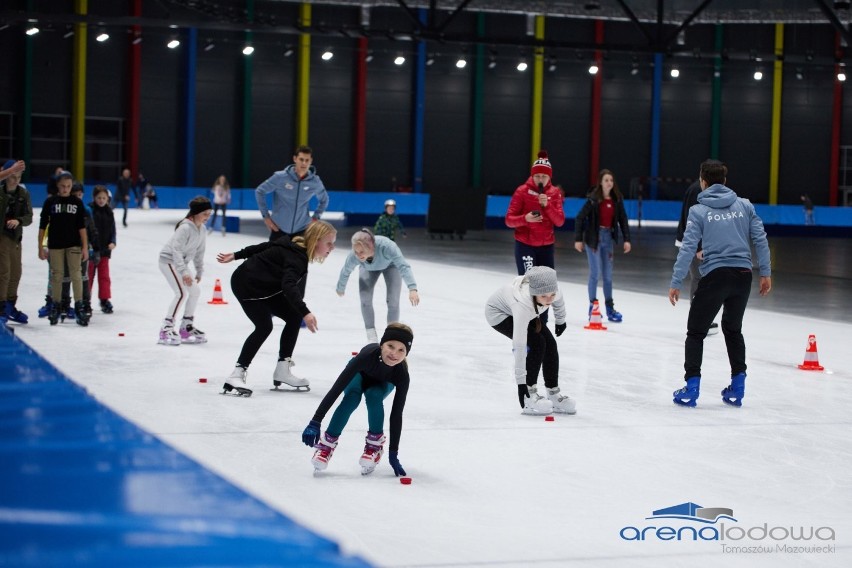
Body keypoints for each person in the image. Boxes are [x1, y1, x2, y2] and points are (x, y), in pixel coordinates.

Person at [669, 159, 772, 408]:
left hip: (714, 277)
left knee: (695, 332)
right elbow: (760, 239)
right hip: (743, 276)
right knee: (733, 329)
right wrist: (765, 273)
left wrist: (676, 281)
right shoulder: (745, 206)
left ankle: (691, 388)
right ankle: (738, 386)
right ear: (725, 181)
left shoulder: (698, 211)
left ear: (703, 182)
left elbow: (687, 248)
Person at [216, 220, 337, 393]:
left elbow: (266, 245)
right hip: (246, 285)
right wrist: (306, 312)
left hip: (265, 286)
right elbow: (289, 286)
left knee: (293, 316)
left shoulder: (295, 242)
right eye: (329, 243)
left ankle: (282, 370)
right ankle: (237, 374)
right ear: (316, 240)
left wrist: (237, 255)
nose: (332, 248)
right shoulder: (297, 257)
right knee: (264, 326)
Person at [301, 322, 413, 476]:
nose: (395, 353)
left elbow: (396, 415)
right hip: (359, 375)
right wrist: (315, 421)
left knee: (374, 396)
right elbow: (336, 389)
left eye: (402, 350)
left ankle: (375, 446)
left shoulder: (401, 375)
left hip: (381, 385)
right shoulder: (366, 356)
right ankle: (326, 445)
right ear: (382, 345)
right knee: (351, 398)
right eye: (391, 346)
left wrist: (393, 453)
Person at [485, 266, 575, 416]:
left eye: (552, 295)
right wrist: (522, 385)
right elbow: (520, 346)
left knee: (550, 343)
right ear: (534, 293)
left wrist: (560, 320)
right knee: (536, 343)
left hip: (528, 311)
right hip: (499, 314)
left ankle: (553, 393)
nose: (549, 300)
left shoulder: (552, 291)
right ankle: (530, 394)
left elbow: (559, 301)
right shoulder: (522, 304)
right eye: (544, 296)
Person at [336, 228, 419, 343]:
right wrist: (341, 286)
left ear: (371, 247)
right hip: (367, 268)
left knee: (393, 300)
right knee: (365, 299)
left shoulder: (388, 247)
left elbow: (403, 266)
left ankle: (392, 333)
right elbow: (346, 270)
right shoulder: (355, 255)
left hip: (391, 266)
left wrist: (412, 288)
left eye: (362, 252)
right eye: (356, 252)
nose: (359, 255)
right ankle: (371, 335)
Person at [574, 169, 632, 322]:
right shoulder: (593, 200)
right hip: (594, 239)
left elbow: (623, 220)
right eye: (606, 180)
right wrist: (578, 239)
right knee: (595, 273)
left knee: (607, 276)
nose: (609, 183)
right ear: (600, 182)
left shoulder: (616, 200)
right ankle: (593, 306)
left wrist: (627, 239)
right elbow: (579, 218)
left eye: (611, 180)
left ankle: (610, 308)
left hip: (607, 240)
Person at [157, 196, 212, 346]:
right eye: (205, 213)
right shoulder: (185, 227)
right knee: (181, 293)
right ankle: (166, 328)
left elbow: (200, 252)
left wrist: (199, 271)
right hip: (168, 261)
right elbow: (176, 250)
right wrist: (184, 272)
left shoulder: (202, 229)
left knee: (195, 291)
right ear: (195, 213)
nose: (207, 217)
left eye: (209, 213)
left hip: (180, 263)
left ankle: (186, 327)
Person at [37, 170, 89, 326]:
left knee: (76, 274)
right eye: (62, 186)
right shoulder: (50, 202)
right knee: (57, 275)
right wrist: (40, 246)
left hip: (73, 244)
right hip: (55, 245)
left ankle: (79, 305)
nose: (65, 189)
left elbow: (82, 227)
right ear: (57, 186)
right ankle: (56, 305)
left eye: (68, 186)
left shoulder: (77, 203)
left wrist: (85, 247)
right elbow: (42, 225)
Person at [505, 150, 565, 276]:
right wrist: (525, 218)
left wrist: (547, 206)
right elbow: (509, 220)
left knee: (546, 287)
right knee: (528, 283)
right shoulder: (522, 191)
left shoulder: (555, 193)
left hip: (546, 247)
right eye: (537, 176)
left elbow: (559, 221)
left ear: (550, 177)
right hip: (525, 245)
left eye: (544, 176)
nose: (540, 179)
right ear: (532, 176)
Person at [255, 145, 329, 242]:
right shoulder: (280, 177)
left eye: (307, 160)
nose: (304, 163)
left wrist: (315, 218)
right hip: (279, 229)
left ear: (311, 161)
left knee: (299, 257)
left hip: (302, 231)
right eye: (301, 159)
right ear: (295, 159)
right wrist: (266, 217)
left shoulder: (315, 182)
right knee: (273, 257)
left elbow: (324, 200)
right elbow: (260, 191)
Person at [676, 179, 718, 335]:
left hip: (696, 243)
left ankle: (701, 319)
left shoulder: (701, 190)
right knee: (698, 279)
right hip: (693, 244)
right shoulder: (696, 191)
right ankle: (698, 321)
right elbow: (692, 219)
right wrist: (699, 246)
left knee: (702, 279)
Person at [58, 183, 99, 321]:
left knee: (83, 276)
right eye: (75, 195)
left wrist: (96, 249)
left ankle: (85, 303)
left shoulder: (86, 210)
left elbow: (92, 230)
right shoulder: (64, 209)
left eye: (80, 195)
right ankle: (64, 304)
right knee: (66, 276)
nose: (78, 197)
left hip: (82, 250)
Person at [0, 159, 32, 325]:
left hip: (15, 238)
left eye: (19, 176)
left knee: (16, 273)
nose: (16, 180)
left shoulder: (23, 194)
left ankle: (10, 305)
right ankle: (2, 306)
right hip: (2, 237)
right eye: (13, 176)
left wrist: (19, 221)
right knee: (4, 272)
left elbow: (29, 217)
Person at [89, 185, 117, 314]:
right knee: (88, 276)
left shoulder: (109, 212)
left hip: (105, 250)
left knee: (104, 276)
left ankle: (104, 299)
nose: (101, 200)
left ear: (107, 199)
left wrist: (113, 241)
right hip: (90, 250)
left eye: (104, 198)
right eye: (99, 197)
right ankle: (85, 299)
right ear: (94, 198)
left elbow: (112, 230)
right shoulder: (89, 210)